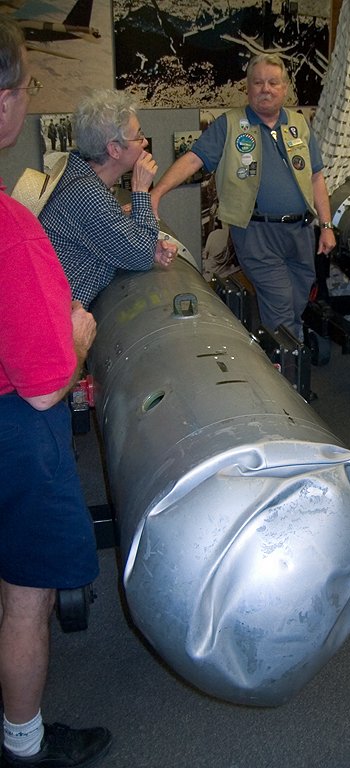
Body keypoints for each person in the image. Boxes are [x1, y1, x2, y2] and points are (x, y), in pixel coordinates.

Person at [0, 17, 112, 767]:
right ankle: (24, 742)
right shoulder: (11, 230)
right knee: (26, 598)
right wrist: (77, 336)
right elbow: (45, 391)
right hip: (15, 430)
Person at [150, 53, 336, 339]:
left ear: (285, 88)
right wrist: (157, 193)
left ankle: (285, 349)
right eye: (258, 82)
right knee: (280, 305)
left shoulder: (298, 124)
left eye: (273, 82)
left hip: (300, 231)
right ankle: (286, 361)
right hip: (257, 233)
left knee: (298, 299)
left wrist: (326, 225)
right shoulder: (230, 124)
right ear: (247, 88)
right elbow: (193, 159)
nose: (266, 89)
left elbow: (316, 177)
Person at [38, 89, 176, 309]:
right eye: (138, 136)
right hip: (58, 317)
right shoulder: (89, 195)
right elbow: (141, 255)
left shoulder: (78, 174)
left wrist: (149, 247)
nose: (144, 142)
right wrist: (141, 190)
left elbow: (115, 242)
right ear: (114, 149)